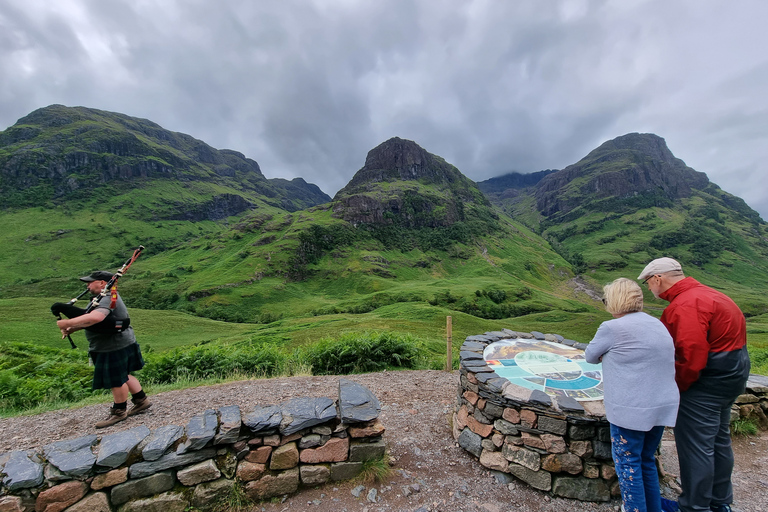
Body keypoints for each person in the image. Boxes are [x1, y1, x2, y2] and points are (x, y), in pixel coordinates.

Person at [638, 257, 750, 512]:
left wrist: (676, 387)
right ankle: (720, 502)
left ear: (658, 278)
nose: (649, 289)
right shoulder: (712, 295)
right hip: (731, 378)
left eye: (648, 283)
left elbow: (689, 355)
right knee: (718, 441)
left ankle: (694, 507)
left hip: (704, 385)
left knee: (695, 446)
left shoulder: (685, 305)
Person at [585, 278, 679, 512]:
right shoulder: (657, 324)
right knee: (646, 460)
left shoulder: (612, 328)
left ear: (615, 300)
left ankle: (635, 508)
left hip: (631, 410)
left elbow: (590, 355)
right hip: (660, 407)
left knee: (628, 464)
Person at [56, 270, 151, 428]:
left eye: (90, 281)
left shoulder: (107, 298)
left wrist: (66, 323)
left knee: (115, 379)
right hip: (120, 341)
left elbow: (96, 318)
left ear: (102, 283)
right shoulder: (103, 297)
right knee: (123, 375)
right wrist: (73, 328)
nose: (87, 285)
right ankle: (141, 401)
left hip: (112, 346)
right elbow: (99, 323)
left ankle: (119, 412)